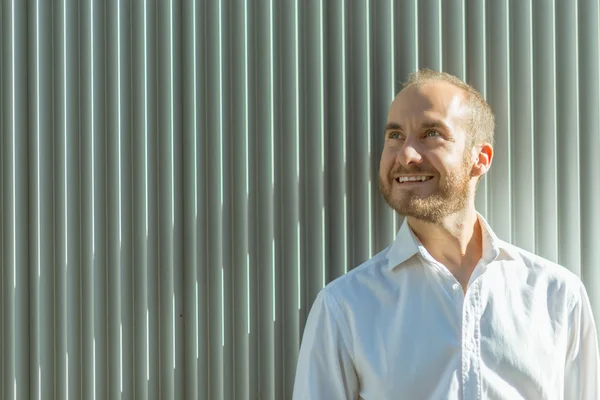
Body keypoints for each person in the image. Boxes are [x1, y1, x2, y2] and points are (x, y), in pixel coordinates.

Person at [292, 69, 599, 399]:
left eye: (431, 133)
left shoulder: (557, 297)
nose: (406, 155)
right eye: (395, 136)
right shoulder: (344, 307)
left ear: (479, 159)